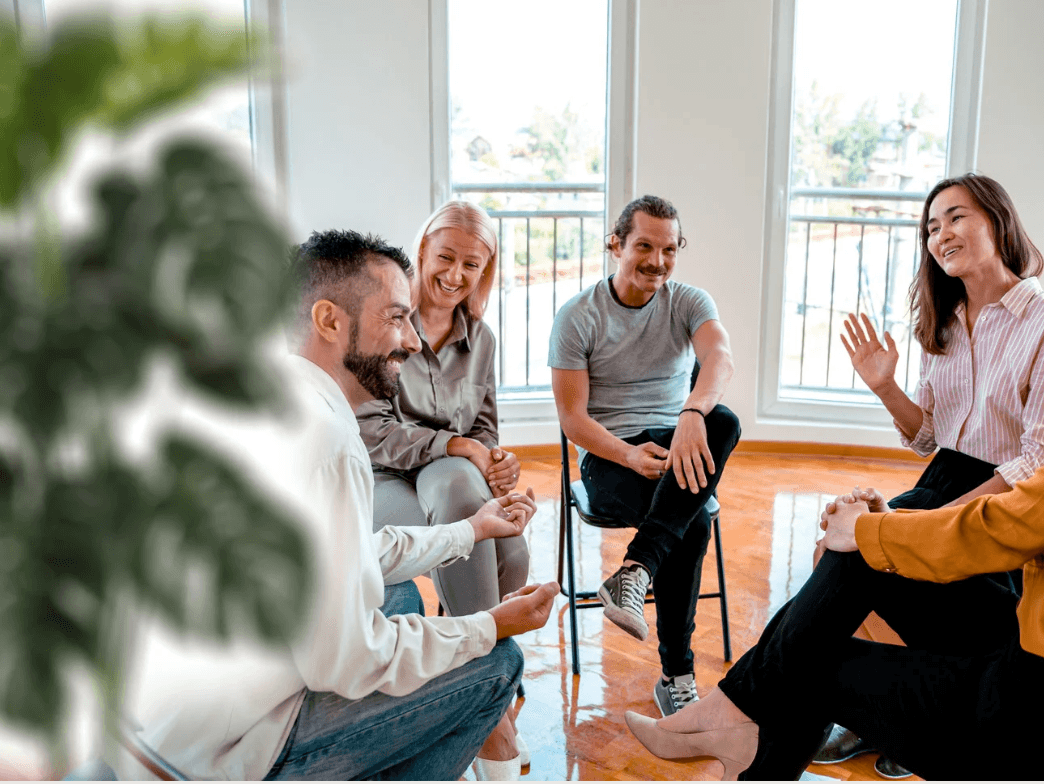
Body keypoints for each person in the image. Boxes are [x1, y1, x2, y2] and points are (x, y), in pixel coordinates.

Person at [625, 233, 1044, 780]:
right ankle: (733, 725)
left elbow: (1015, 522)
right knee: (859, 566)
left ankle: (738, 736)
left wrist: (874, 532)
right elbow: (1038, 516)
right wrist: (883, 532)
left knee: (812, 660)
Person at [118, 230, 559, 781]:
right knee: (497, 664)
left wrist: (468, 530)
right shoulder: (326, 441)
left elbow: (347, 554)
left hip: (159, 719)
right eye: (397, 318)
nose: (414, 342)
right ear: (329, 321)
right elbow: (350, 660)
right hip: (218, 753)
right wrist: (488, 626)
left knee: (396, 595)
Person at [820, 173, 1044, 772]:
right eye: (932, 226)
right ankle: (878, 718)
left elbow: (1041, 459)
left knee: (868, 558)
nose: (942, 234)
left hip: (1007, 505)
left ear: (997, 220)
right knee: (836, 552)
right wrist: (885, 385)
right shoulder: (945, 321)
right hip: (944, 479)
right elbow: (928, 438)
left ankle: (905, 720)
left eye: (956, 217)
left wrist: (932, 523)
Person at [355, 202, 530, 777]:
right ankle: (494, 713)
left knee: (516, 550)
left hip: (449, 474)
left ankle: (480, 694)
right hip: (384, 477)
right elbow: (374, 432)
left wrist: (496, 463)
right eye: (446, 257)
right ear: (423, 253)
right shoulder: (386, 323)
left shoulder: (481, 339)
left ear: (486, 270)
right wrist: (461, 451)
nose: (456, 274)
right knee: (459, 486)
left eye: (472, 265)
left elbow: (483, 428)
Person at [550, 194, 740, 717]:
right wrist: (631, 458)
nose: (658, 260)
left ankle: (635, 570)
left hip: (679, 441)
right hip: (611, 456)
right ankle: (677, 676)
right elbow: (574, 422)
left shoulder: (688, 301)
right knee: (694, 522)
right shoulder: (577, 317)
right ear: (616, 244)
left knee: (724, 420)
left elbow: (720, 359)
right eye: (644, 247)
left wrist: (692, 415)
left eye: (670, 248)